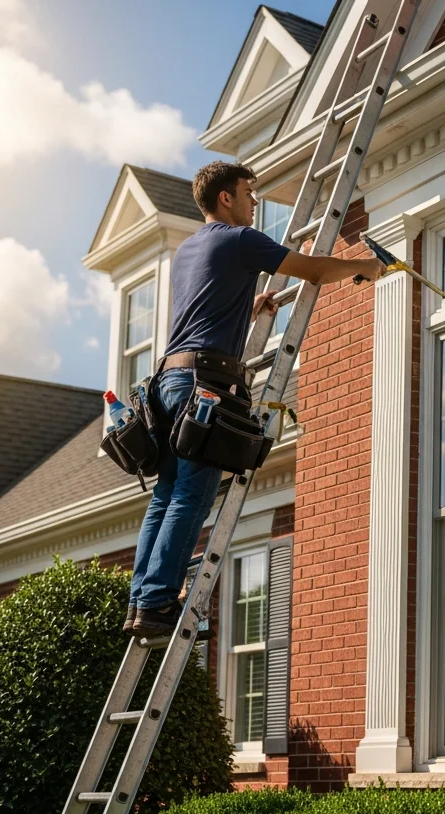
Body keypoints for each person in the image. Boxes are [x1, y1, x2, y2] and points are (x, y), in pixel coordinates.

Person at [127, 161, 384, 636]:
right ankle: (159, 603)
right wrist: (364, 267)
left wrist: (247, 308)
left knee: (165, 495)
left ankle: (143, 601)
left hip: (167, 382)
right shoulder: (240, 240)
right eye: (249, 192)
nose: (255, 201)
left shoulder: (188, 249)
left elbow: (202, 310)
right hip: (204, 384)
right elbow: (310, 269)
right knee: (190, 494)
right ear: (225, 198)